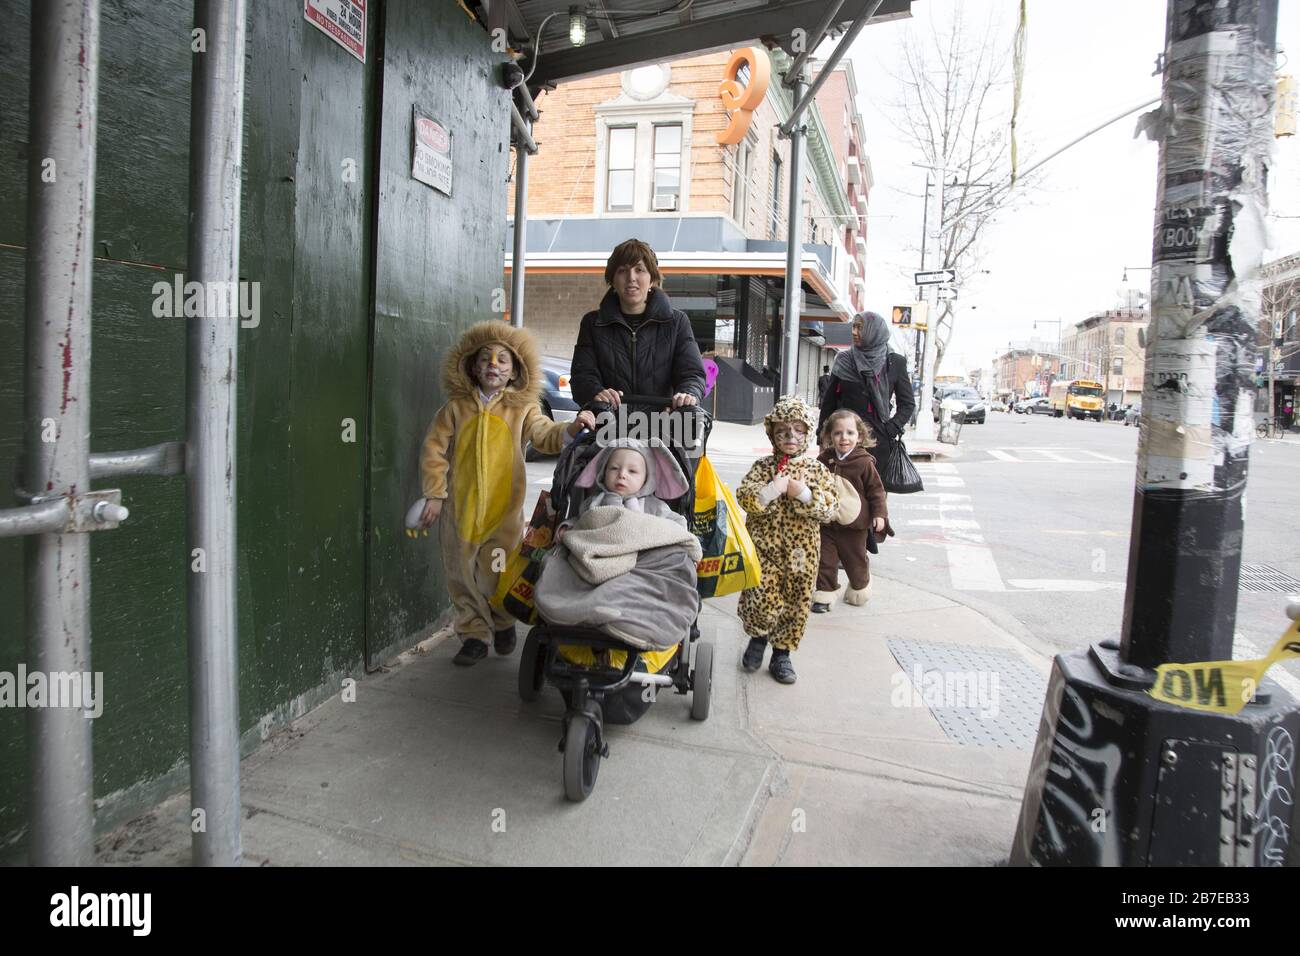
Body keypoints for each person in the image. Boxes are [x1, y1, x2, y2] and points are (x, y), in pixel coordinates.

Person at [417, 321, 594, 666]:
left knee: (496, 571)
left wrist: (569, 430)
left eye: (502, 360)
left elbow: (544, 434)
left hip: (504, 513)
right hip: (460, 511)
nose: (493, 365)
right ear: (472, 366)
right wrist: (435, 494)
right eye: (485, 359)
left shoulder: (522, 410)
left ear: (515, 372)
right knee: (461, 574)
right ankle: (473, 635)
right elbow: (433, 450)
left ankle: (502, 622)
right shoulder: (456, 409)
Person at [735, 396, 839, 685]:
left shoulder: (817, 470)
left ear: (807, 433)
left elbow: (830, 507)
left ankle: (782, 654)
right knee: (761, 595)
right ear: (772, 434)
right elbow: (744, 496)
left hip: (800, 553)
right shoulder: (763, 467)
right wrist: (770, 491)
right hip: (764, 547)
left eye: (797, 430)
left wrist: (804, 494)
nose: (790, 437)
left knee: (796, 599)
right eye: (782, 431)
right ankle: (758, 638)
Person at [570, 238, 706, 411]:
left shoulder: (677, 323)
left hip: (663, 428)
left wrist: (688, 393)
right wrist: (595, 392)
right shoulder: (592, 324)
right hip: (607, 428)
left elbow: (692, 373)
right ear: (612, 280)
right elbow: (582, 376)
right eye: (622, 271)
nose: (631, 278)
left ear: (652, 279)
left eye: (639, 270)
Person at [817, 311, 916, 479]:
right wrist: (822, 437)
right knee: (842, 495)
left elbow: (907, 404)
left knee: (875, 497)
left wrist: (890, 429)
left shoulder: (895, 362)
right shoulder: (844, 360)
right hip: (844, 439)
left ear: (874, 331)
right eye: (853, 327)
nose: (854, 332)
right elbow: (829, 402)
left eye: (860, 328)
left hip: (878, 442)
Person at [812, 410, 892, 613]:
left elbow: (876, 491)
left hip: (854, 526)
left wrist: (879, 515)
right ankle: (825, 593)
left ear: (860, 436)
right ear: (829, 436)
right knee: (825, 560)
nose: (844, 438)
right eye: (838, 433)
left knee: (854, 560)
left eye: (850, 433)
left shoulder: (864, 462)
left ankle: (860, 585)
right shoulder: (824, 459)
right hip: (827, 523)